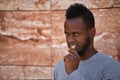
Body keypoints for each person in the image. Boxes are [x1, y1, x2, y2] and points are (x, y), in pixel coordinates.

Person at [54, 3, 120, 80]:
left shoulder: (111, 68)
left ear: (92, 32)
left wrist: (73, 73)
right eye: (67, 34)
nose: (70, 40)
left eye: (76, 34)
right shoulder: (60, 67)